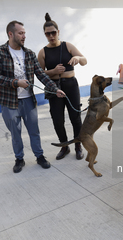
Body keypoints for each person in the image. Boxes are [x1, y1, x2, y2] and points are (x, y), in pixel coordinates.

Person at [0, 20, 66, 173]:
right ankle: (19, 159)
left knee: (34, 131)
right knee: (15, 133)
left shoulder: (29, 53)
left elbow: (41, 75)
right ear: (11, 34)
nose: (24, 36)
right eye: (20, 33)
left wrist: (54, 88)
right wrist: (16, 82)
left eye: (24, 33)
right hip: (9, 102)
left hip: (28, 101)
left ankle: (39, 156)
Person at [38, 13, 87, 161]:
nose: (51, 36)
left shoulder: (67, 46)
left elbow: (85, 61)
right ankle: (64, 146)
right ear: (45, 35)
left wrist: (78, 58)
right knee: (57, 119)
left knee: (75, 117)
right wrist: (53, 71)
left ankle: (78, 145)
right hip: (54, 88)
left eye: (53, 33)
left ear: (58, 32)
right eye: (48, 34)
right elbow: (39, 74)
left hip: (71, 85)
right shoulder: (43, 52)